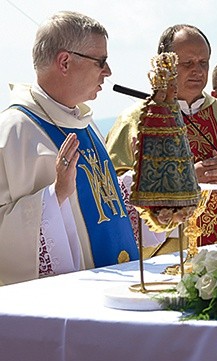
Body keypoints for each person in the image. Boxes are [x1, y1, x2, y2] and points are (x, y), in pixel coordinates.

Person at [106, 25, 217, 249]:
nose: (197, 70)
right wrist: (183, 180)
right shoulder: (135, 121)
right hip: (161, 258)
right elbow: (112, 190)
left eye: (203, 63)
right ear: (165, 64)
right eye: (187, 63)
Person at [0, 11, 139, 285]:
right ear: (64, 61)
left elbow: (100, 208)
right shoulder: (13, 132)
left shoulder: (83, 123)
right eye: (101, 61)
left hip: (113, 285)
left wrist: (138, 180)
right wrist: (55, 196)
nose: (108, 72)